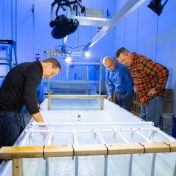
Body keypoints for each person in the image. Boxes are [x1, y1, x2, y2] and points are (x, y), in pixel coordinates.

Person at [0, 58, 62, 148]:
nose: (50, 77)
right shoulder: (35, 71)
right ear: (48, 65)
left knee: (17, 142)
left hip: (9, 112)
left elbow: (27, 90)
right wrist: (42, 126)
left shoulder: (31, 67)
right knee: (9, 151)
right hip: (8, 114)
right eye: (52, 74)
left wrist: (35, 104)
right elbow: (29, 96)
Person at [116, 47, 169, 127]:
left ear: (129, 54)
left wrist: (157, 89)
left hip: (154, 98)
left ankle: (154, 140)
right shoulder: (130, 65)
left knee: (152, 126)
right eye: (121, 62)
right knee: (144, 124)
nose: (124, 63)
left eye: (124, 60)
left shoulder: (141, 61)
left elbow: (163, 71)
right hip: (145, 99)